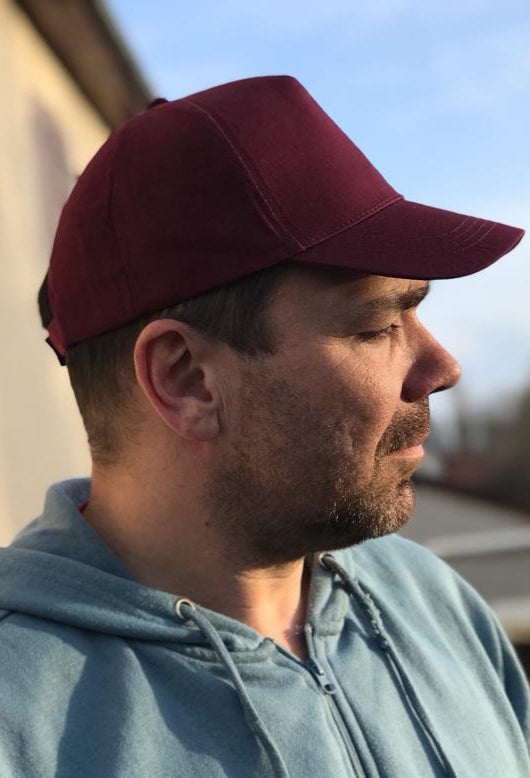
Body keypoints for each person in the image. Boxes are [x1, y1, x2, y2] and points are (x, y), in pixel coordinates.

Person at [0, 75, 528, 778]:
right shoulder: (20, 715)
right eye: (378, 326)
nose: (443, 366)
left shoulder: (432, 604)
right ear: (187, 378)